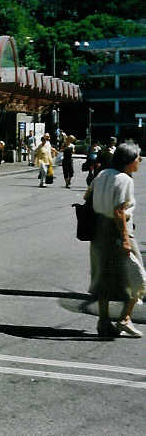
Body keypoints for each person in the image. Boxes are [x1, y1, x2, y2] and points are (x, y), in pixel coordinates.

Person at [84, 143, 146, 337]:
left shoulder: (102, 174)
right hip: (119, 230)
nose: (140, 161)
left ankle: (103, 321)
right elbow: (119, 211)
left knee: (103, 277)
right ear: (128, 161)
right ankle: (125, 318)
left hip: (99, 232)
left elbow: (87, 195)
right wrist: (126, 239)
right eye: (138, 158)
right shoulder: (125, 180)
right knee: (137, 277)